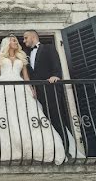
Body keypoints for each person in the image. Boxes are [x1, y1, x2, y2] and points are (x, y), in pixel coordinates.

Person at [0, 35, 66, 164]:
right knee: (3, 116)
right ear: (7, 43)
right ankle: (3, 149)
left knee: (24, 115)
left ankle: (30, 147)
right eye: (13, 40)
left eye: (16, 40)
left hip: (20, 87)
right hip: (2, 88)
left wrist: (31, 89)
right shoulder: (1, 58)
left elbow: (26, 77)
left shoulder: (22, 58)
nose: (17, 42)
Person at [23, 29, 78, 157]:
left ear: (33, 36)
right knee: (43, 121)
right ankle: (51, 151)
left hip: (50, 89)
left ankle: (65, 151)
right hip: (37, 93)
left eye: (26, 38)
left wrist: (56, 76)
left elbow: (56, 64)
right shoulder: (27, 54)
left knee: (56, 117)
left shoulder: (49, 48)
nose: (24, 41)